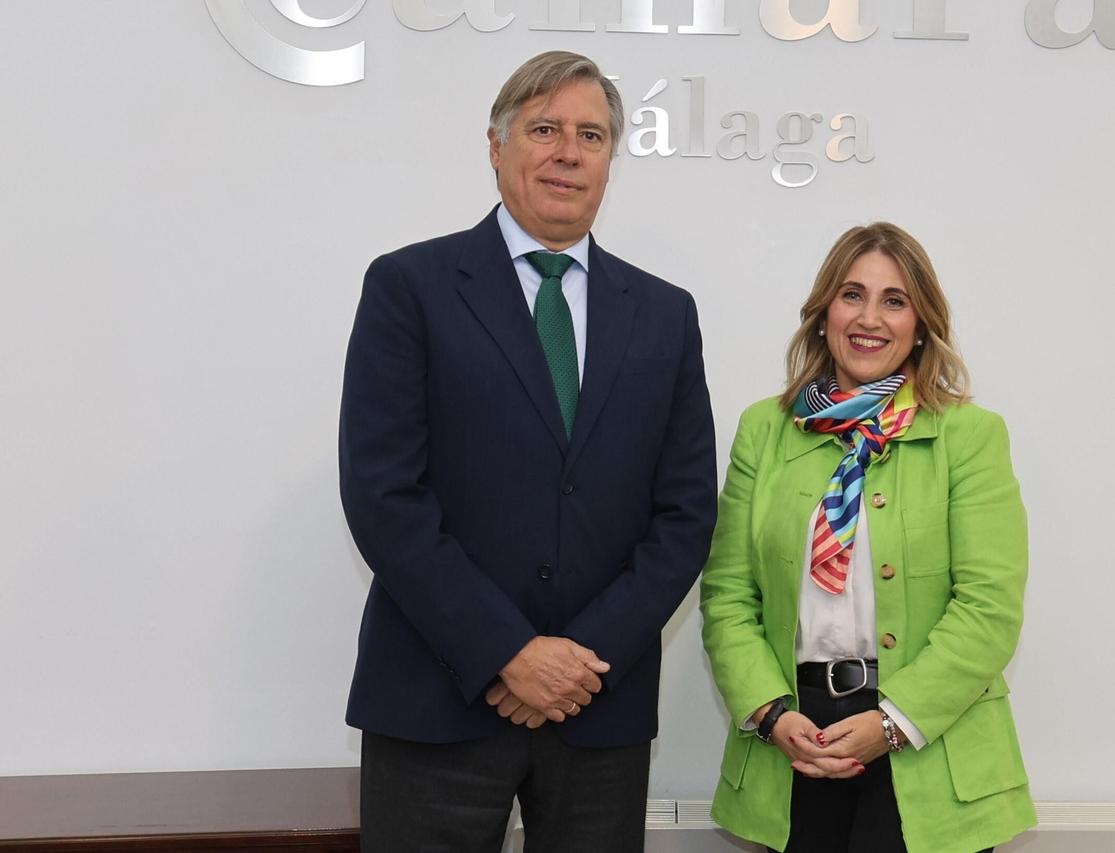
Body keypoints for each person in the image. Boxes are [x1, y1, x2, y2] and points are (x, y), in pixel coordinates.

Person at [339, 50, 717, 853]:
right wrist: (506, 652)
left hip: (598, 709)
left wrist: (582, 662)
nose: (567, 152)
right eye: (544, 128)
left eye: (591, 134)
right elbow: (384, 495)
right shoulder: (409, 287)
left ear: (611, 158)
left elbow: (684, 516)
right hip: (437, 700)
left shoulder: (664, 314)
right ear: (497, 145)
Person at [700, 223, 1035, 853]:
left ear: (921, 323)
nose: (870, 318)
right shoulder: (764, 430)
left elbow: (989, 607)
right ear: (824, 311)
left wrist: (892, 722)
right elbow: (726, 596)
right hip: (793, 738)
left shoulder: (970, 435)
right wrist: (771, 713)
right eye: (853, 294)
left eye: (894, 300)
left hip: (923, 738)